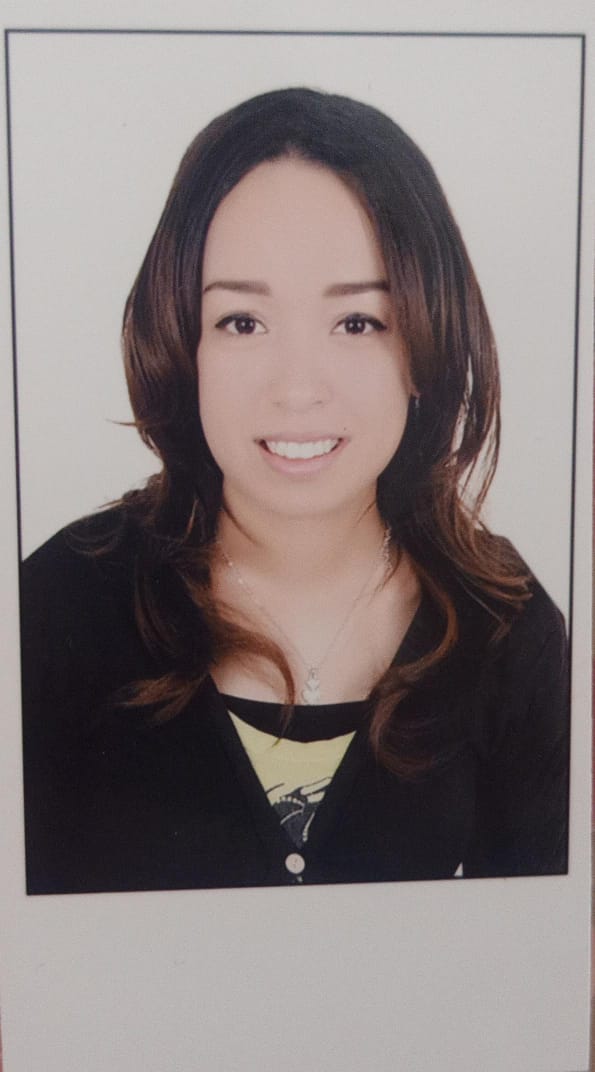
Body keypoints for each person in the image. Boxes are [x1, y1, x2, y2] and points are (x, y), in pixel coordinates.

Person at [20, 87, 569, 894]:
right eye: (243, 322)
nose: (297, 389)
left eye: (357, 323)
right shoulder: (55, 608)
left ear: (423, 347)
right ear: (183, 342)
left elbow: (543, 958)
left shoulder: (506, 630)